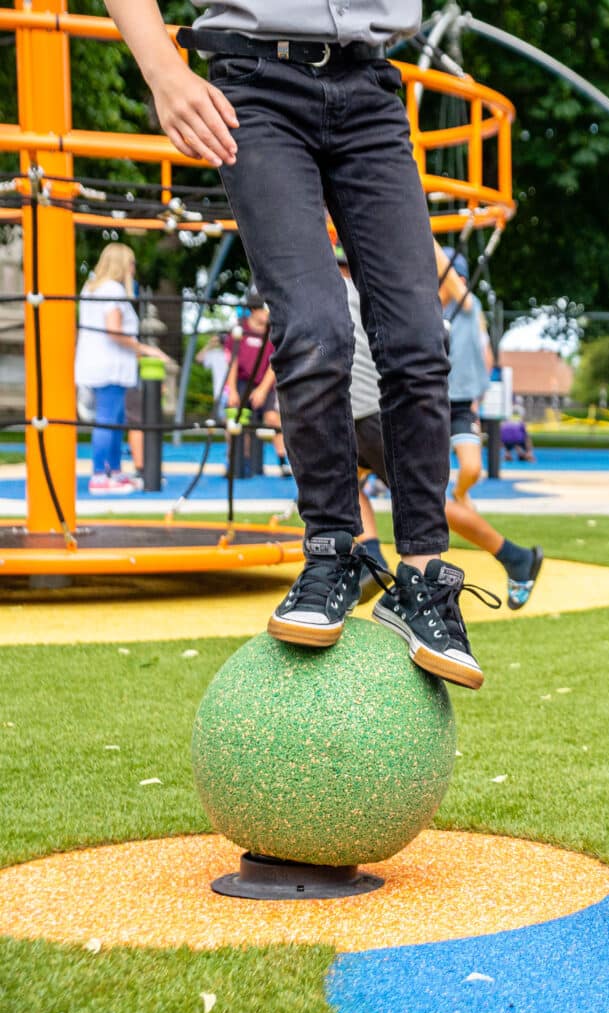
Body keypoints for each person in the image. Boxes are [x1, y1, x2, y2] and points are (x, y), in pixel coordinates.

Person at [107, 0, 486, 688]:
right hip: (255, 83)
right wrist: (162, 68)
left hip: (371, 88)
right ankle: (332, 549)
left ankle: (425, 581)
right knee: (315, 328)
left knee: (419, 341)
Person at [338, 251, 544, 611]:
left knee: (429, 502)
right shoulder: (416, 303)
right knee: (348, 484)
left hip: (402, 410)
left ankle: (513, 556)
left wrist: (415, 223)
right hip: (396, 407)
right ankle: (373, 559)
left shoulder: (461, 303)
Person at [75, 243, 167, 496]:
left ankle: (113, 471)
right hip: (110, 366)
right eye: (132, 263)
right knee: (107, 419)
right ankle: (99, 476)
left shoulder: (90, 288)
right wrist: (145, 349)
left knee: (114, 419)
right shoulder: (113, 289)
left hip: (96, 363)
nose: (134, 269)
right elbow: (114, 330)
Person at [439, 246, 491, 506]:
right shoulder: (424, 308)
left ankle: (459, 494)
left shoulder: (468, 307)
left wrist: (478, 394)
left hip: (460, 401)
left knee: (471, 468)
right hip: (429, 399)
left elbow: (485, 354)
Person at [222, 302, 290, 476]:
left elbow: (274, 363)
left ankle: (283, 461)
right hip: (242, 382)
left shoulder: (273, 330)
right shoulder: (239, 330)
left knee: (273, 417)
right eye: (264, 309)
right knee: (234, 418)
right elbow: (233, 362)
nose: (268, 312)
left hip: (265, 382)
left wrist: (262, 389)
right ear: (254, 310)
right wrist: (232, 390)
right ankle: (235, 460)